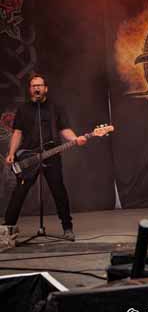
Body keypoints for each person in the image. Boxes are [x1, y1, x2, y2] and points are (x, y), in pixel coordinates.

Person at [3, 74, 87, 241]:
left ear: (45, 88)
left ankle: (67, 228)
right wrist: (11, 153)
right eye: (34, 86)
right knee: (19, 193)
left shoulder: (55, 108)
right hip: (28, 157)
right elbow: (17, 133)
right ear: (30, 89)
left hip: (51, 155)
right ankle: (7, 229)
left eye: (39, 85)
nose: (37, 88)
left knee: (59, 192)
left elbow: (64, 129)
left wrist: (76, 139)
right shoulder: (23, 109)